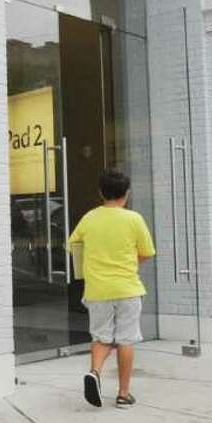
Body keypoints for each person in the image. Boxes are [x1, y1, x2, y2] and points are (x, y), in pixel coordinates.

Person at [69, 168, 156, 409]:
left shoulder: (89, 218)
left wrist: (92, 262)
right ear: (126, 193)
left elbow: (73, 245)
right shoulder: (133, 219)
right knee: (126, 339)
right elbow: (147, 252)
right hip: (127, 288)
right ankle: (123, 394)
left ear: (100, 193)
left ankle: (94, 372)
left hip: (97, 290)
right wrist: (128, 261)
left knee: (101, 337)